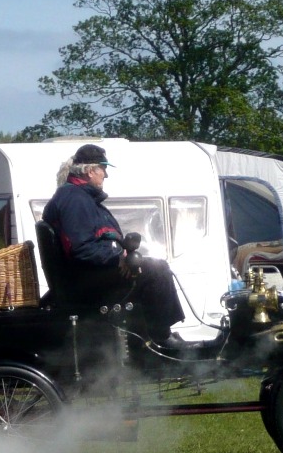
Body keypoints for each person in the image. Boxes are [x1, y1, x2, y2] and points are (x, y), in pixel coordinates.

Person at [42, 143, 186, 346]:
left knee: (151, 265)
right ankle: (161, 338)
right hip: (83, 282)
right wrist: (117, 259)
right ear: (91, 171)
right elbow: (81, 249)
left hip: (85, 276)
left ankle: (148, 338)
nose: (105, 175)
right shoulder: (74, 200)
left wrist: (124, 251)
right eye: (103, 168)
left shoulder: (80, 198)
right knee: (156, 269)